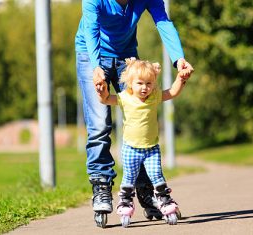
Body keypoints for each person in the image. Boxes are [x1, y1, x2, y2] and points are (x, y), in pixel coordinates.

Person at [75, 0, 194, 227]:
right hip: (90, 53)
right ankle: (101, 186)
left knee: (140, 114)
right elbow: (91, 28)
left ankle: (145, 189)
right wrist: (96, 66)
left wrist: (178, 58)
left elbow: (163, 21)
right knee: (99, 124)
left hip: (127, 57)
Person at [94, 58, 193, 227]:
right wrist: (102, 91)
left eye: (149, 83)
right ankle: (125, 203)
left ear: (154, 84)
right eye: (140, 83)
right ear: (130, 83)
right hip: (130, 149)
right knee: (129, 178)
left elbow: (173, 92)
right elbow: (105, 100)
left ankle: (165, 201)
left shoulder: (154, 97)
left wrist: (181, 79)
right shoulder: (124, 97)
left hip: (151, 149)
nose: (145, 87)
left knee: (156, 176)